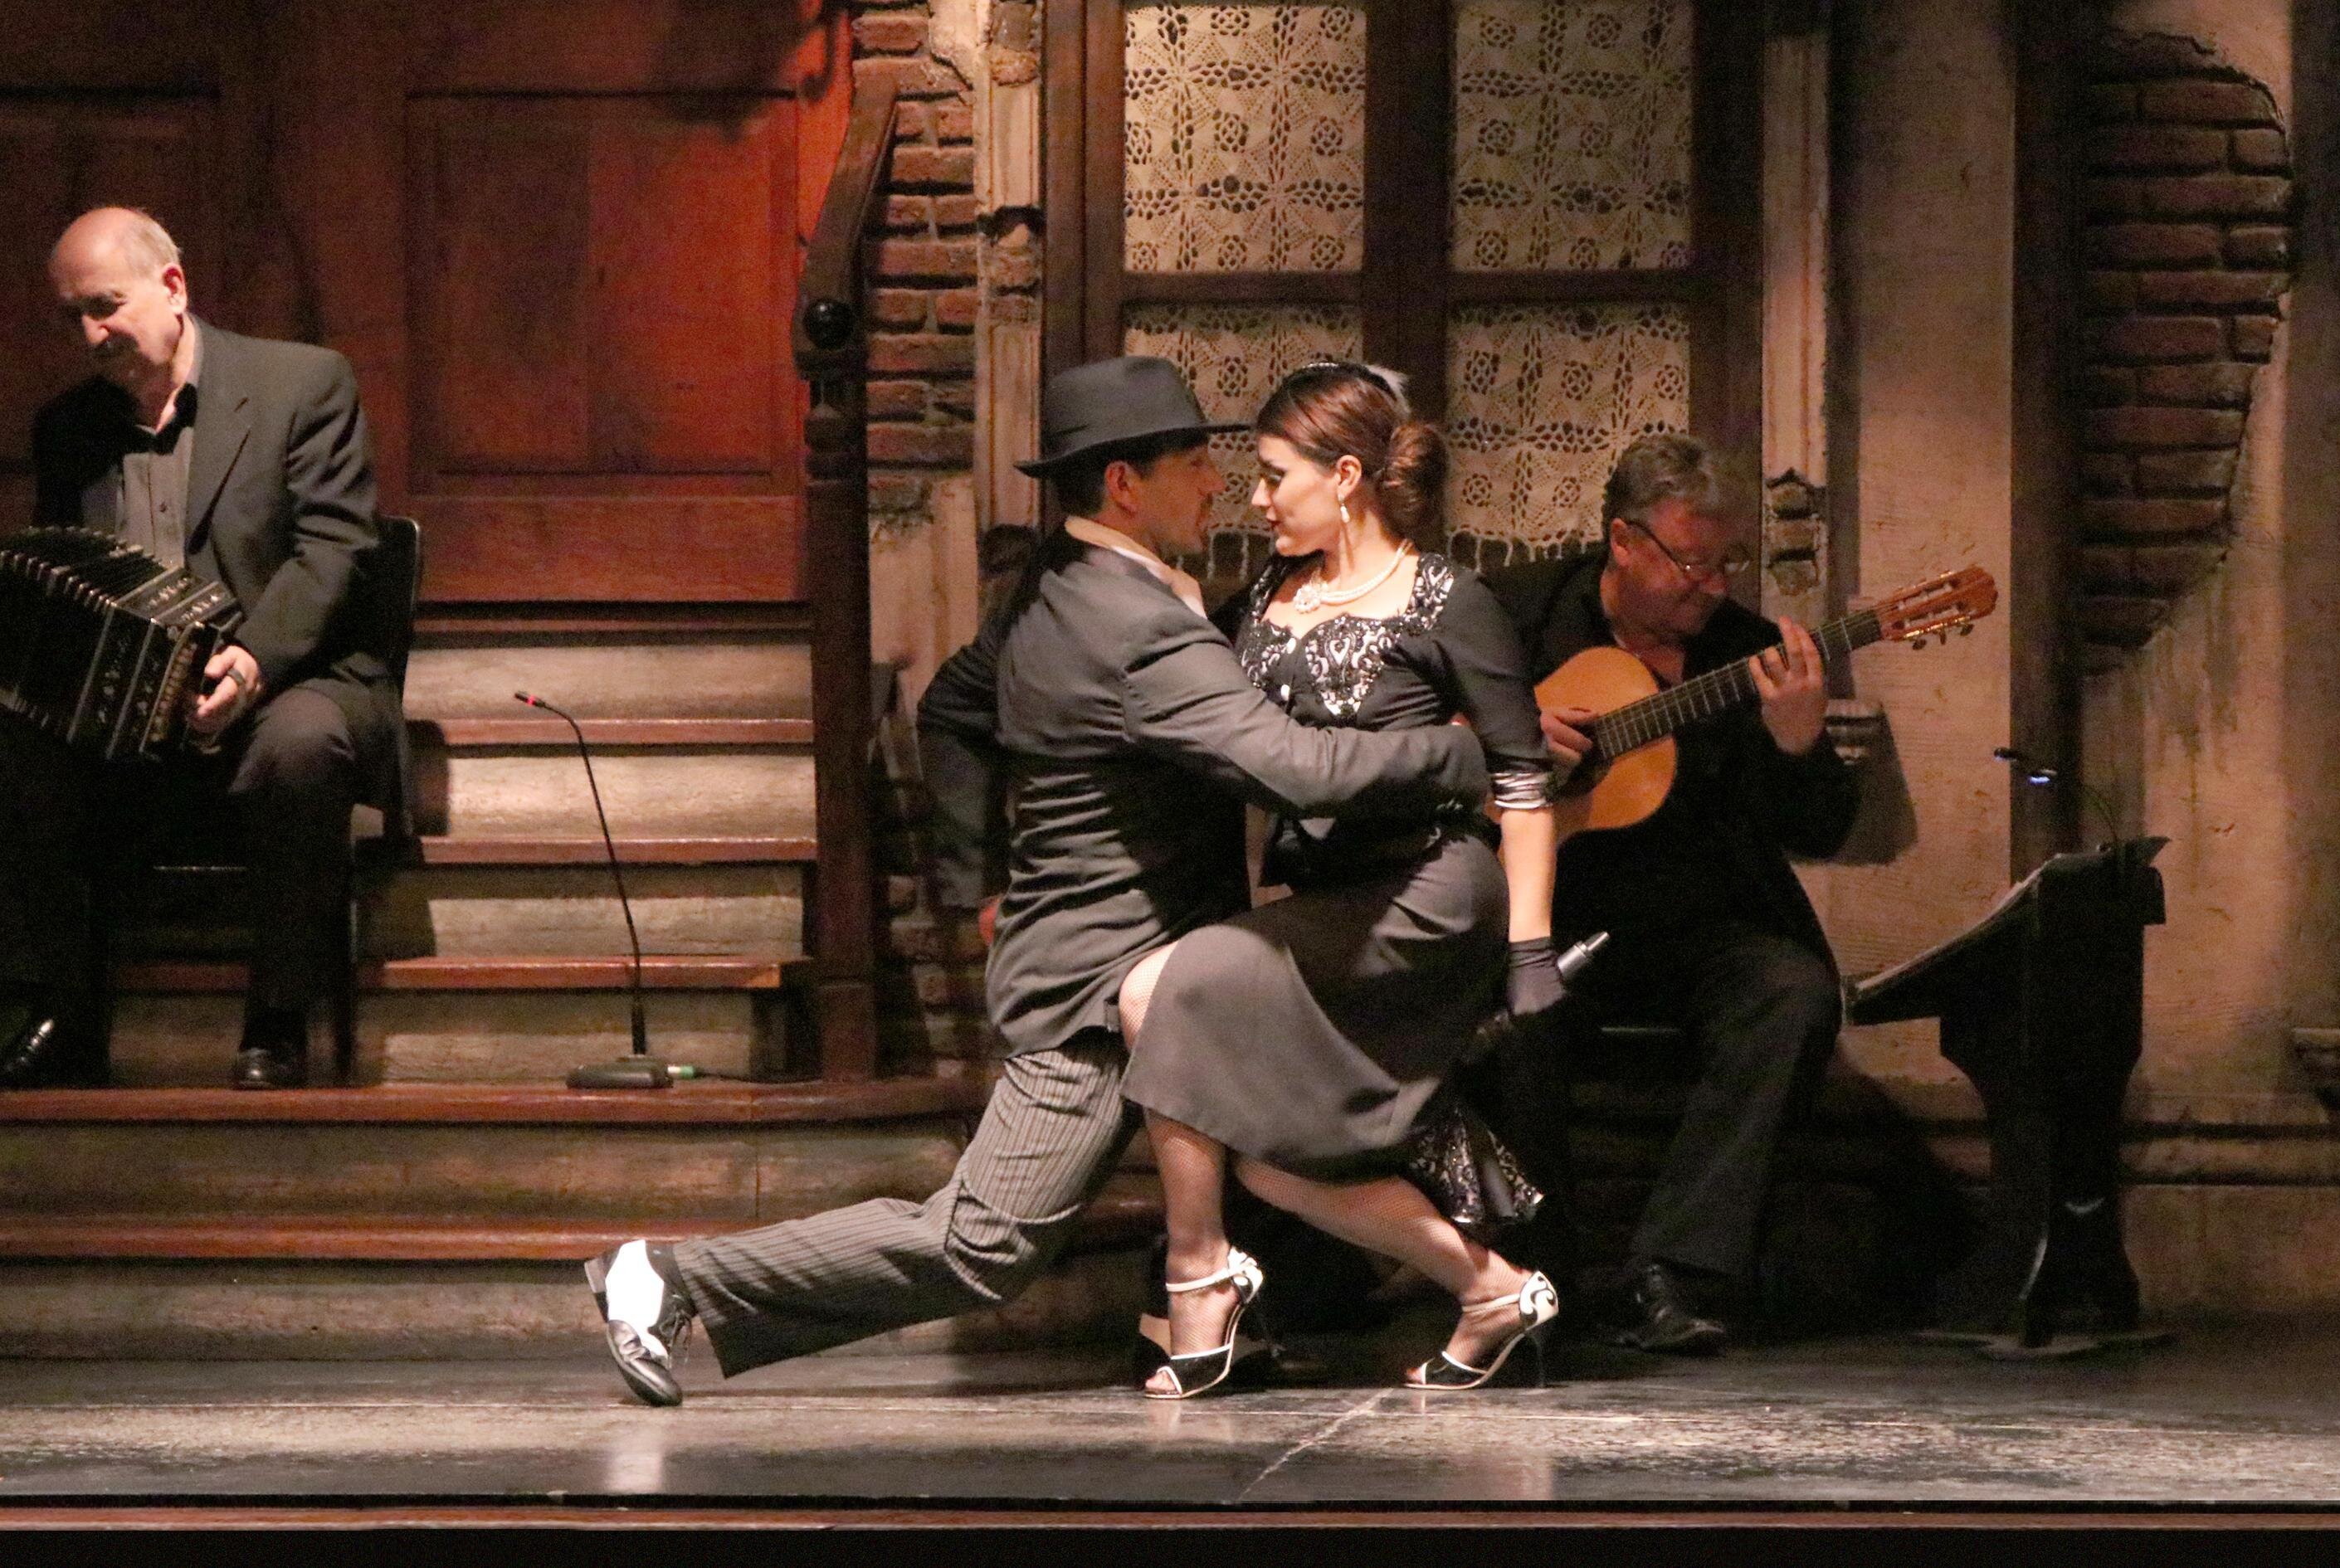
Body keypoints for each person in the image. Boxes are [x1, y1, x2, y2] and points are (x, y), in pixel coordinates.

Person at [582, 355, 1494, 1408]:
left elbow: (955, 708)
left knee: (1272, 1126)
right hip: (1093, 982)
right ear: (1125, 483)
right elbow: (1294, 768)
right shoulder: (1133, 625)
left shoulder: (1062, 581)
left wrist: (984, 877)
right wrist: (1458, 752)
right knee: (986, 1243)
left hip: (1157, 963)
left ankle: (1191, 1325)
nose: (1218, 484)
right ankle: (670, 1278)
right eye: (1195, 464)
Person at [1117, 361, 1566, 1397]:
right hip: (1325, 903)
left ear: (1347, 476)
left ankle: (1200, 1276)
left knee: (1154, 992)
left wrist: (1532, 949)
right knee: (1271, 1153)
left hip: (1429, 896)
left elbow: (1523, 784)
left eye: (1277, 475)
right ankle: (1493, 1292)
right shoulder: (1264, 596)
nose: (1258, 498)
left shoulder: (1450, 601)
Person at [0, 207, 399, 1090]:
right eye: (73, 316)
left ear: (173, 287)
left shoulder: (303, 383)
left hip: (292, 675)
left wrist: (251, 661)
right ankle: (61, 1013)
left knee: (300, 744)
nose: (91, 334)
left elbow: (336, 548)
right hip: (136, 702)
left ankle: (278, 1018)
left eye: (106, 306)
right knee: (19, 743)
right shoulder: (69, 426)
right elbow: (68, 577)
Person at [1486, 431, 1860, 1354]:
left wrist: (1798, 742)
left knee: (1793, 995)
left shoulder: (1752, 654)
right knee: (1502, 1023)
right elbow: (1407, 722)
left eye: (1728, 563)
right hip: (1545, 920)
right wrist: (1507, 736)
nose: (1714, 586)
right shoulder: (1517, 616)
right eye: (1693, 563)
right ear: (1623, 540)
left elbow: (1822, 829)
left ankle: (1675, 1275)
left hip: (1701, 925)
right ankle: (1532, 1281)